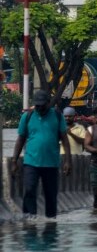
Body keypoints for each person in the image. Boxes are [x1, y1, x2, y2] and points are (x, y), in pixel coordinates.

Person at [11, 90, 72, 218]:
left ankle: (51, 220)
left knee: (50, 194)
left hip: (51, 163)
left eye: (42, 105)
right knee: (29, 189)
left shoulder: (57, 115)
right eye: (37, 105)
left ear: (49, 103)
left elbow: (65, 139)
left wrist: (68, 161)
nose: (39, 108)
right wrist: (14, 161)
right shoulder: (27, 117)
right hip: (31, 162)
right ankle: (29, 218)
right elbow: (20, 139)